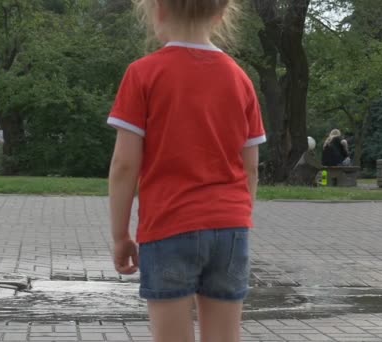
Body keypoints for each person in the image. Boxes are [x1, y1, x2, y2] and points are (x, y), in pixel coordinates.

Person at [107, 0, 266, 341]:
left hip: (168, 226)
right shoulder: (240, 79)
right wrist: (236, 219)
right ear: (221, 14)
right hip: (231, 228)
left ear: (159, 10)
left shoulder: (143, 74)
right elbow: (250, 168)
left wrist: (121, 235)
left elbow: (124, 166)